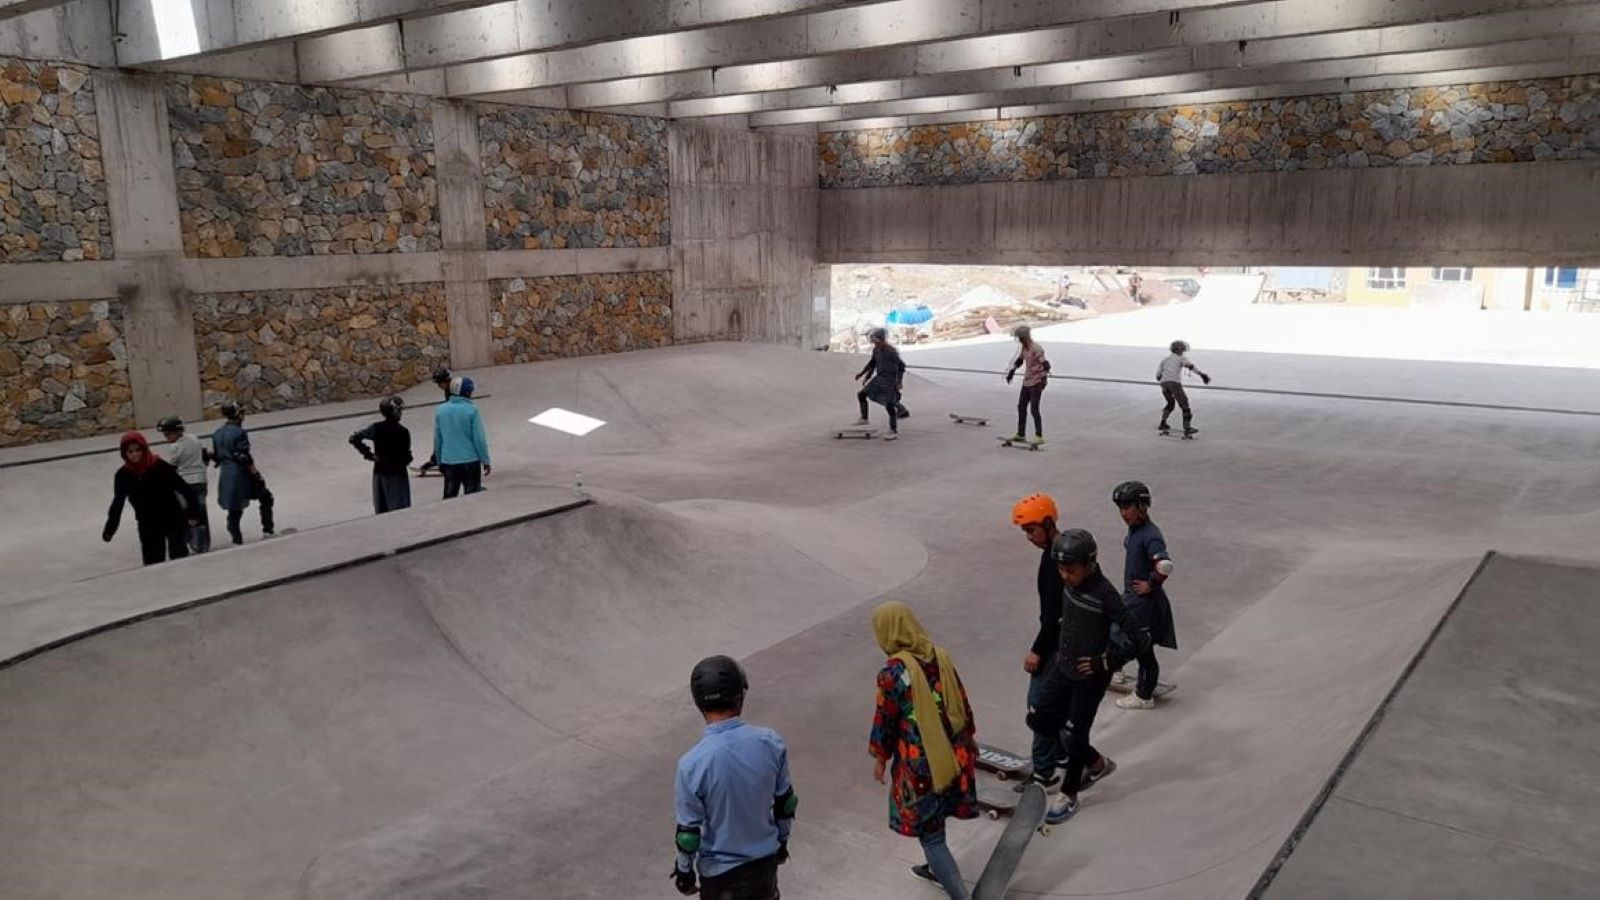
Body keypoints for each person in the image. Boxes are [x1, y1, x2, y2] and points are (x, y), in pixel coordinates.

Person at [1026, 529, 1150, 825]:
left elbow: (1139, 640)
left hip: (1089, 677)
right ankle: (1095, 762)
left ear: (1089, 564)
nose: (1064, 576)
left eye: (1070, 570)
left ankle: (1069, 794)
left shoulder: (1105, 594)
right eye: (1060, 569)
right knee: (1039, 718)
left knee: (1074, 733)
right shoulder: (1068, 579)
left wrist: (1106, 660)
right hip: (1062, 666)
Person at [868, 601, 977, 899]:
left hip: (924, 766)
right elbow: (963, 704)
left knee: (931, 835)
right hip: (956, 754)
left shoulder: (892, 672)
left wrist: (880, 757)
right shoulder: (940, 656)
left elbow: (886, 719)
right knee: (938, 816)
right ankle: (934, 868)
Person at [672, 655, 795, 900]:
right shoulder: (771, 742)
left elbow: (688, 835)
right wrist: (782, 843)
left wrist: (684, 873)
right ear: (740, 697)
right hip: (764, 869)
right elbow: (786, 803)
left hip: (720, 878)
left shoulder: (691, 764)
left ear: (700, 705)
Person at [1011, 494, 1065, 787]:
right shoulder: (1057, 551)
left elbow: (1054, 616)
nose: (1029, 537)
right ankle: (1060, 756)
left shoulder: (1057, 558)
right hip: (1062, 642)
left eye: (1031, 530)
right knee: (1055, 705)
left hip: (1056, 646)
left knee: (1039, 706)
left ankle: (1044, 772)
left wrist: (1037, 651)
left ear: (1047, 523)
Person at [1112, 481, 1179, 710]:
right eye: (1120, 508)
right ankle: (1117, 671)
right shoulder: (1136, 530)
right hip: (1132, 598)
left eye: (1128, 507)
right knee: (1116, 634)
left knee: (1142, 648)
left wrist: (1151, 584)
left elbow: (1165, 564)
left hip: (1143, 603)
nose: (1123, 513)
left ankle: (1144, 695)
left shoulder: (1151, 535)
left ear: (1142, 506)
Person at [102, 431, 199, 565]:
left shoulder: (159, 466)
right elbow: (118, 503)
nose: (135, 454)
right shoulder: (123, 475)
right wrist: (110, 528)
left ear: (144, 449)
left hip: (172, 517)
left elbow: (184, 488)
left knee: (178, 559)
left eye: (137, 450)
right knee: (153, 562)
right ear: (125, 454)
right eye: (130, 452)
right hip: (147, 522)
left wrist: (193, 514)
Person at [211, 402, 273, 544]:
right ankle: (268, 530)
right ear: (237, 414)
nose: (244, 416)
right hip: (240, 474)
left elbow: (216, 455)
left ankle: (236, 540)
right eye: (242, 413)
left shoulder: (217, 433)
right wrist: (256, 474)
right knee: (266, 497)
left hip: (225, 474)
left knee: (234, 509)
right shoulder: (239, 432)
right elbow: (244, 456)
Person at [349, 396, 413, 514]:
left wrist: (369, 454)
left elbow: (354, 438)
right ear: (396, 412)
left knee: (382, 509)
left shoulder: (376, 428)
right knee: (400, 511)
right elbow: (406, 457)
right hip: (397, 475)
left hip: (380, 473)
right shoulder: (403, 432)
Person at [158, 415, 211, 553]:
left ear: (177, 431)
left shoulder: (174, 447)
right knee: (201, 512)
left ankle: (192, 541)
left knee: (187, 513)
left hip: (185, 484)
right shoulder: (195, 438)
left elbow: (172, 469)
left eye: (168, 433)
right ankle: (204, 543)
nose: (166, 436)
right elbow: (205, 456)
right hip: (201, 481)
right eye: (165, 434)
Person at [433, 376, 491, 498]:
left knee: (449, 497)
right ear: (467, 392)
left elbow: (438, 439)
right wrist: (485, 460)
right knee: (472, 497)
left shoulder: (441, 410)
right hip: (470, 461)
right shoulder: (472, 410)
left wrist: (439, 461)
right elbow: (479, 439)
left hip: (448, 461)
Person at [854, 327, 907, 440]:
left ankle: (893, 430)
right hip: (879, 378)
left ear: (882, 340)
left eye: (877, 342)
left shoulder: (891, 351)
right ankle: (864, 418)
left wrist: (899, 382)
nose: (876, 345)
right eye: (874, 343)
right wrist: (863, 374)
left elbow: (902, 366)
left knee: (889, 404)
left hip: (890, 380)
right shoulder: (876, 350)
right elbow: (872, 364)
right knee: (861, 394)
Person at [1004, 325, 1050, 446]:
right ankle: (1021, 434)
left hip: (1037, 381)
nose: (1019, 340)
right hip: (1027, 381)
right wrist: (1011, 372)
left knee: (1034, 408)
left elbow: (1044, 361)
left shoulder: (1036, 348)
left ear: (1025, 337)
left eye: (1020, 338)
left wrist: (1045, 368)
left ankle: (1039, 436)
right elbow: (1019, 361)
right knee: (1021, 407)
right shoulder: (1025, 349)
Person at [1156, 340, 1211, 437]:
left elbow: (1158, 375)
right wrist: (1202, 375)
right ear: (1179, 349)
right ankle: (1187, 428)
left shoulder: (1165, 360)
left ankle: (1162, 423)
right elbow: (1190, 366)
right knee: (1184, 405)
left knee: (1170, 403)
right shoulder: (1181, 358)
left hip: (1164, 384)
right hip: (1174, 383)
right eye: (1182, 348)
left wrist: (1165, 378)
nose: (1184, 350)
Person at [416, 367, 452, 477]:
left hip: (452, 420)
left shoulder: (453, 390)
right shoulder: (449, 388)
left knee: (443, 440)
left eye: (439, 383)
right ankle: (436, 459)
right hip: (449, 418)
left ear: (444, 381)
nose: (438, 386)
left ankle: (437, 460)